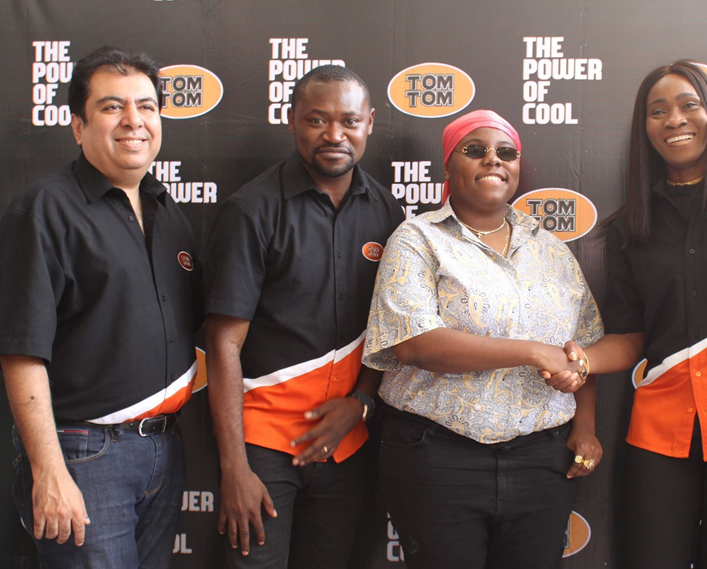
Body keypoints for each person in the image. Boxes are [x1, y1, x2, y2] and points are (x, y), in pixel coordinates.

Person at [551, 61, 707, 568]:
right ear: (645, 128)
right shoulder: (629, 227)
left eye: (689, 105)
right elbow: (630, 336)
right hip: (659, 434)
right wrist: (581, 360)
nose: (674, 120)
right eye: (657, 111)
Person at [362, 109, 603, 569]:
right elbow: (414, 344)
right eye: (475, 150)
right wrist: (532, 352)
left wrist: (586, 427)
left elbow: (584, 347)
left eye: (505, 152)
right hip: (437, 457)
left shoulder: (550, 249)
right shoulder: (417, 239)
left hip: (542, 460)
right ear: (448, 166)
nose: (493, 159)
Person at [0, 46, 203, 568]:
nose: (134, 120)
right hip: (85, 455)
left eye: (146, 106)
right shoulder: (45, 209)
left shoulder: (168, 212)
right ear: (77, 125)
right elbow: (21, 351)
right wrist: (49, 469)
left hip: (163, 449)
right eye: (113, 107)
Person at [203, 65, 403, 568]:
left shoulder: (388, 211)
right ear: (292, 121)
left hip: (345, 444)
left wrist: (362, 403)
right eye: (317, 120)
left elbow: (390, 329)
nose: (334, 134)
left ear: (369, 123)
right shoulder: (250, 210)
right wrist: (234, 468)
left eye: (349, 121)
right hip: (262, 445)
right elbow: (223, 344)